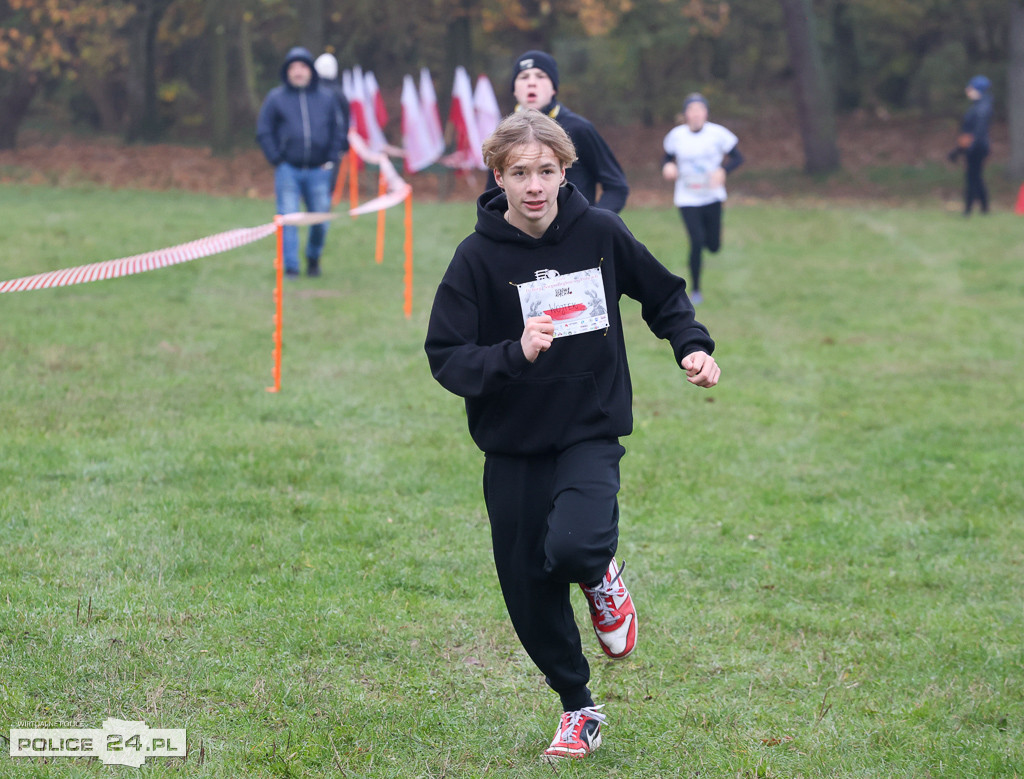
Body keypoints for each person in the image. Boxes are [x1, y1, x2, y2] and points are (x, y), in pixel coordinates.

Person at [425, 110, 719, 762]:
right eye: (521, 172)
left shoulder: (600, 233)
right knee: (527, 586)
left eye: (548, 171)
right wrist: (513, 353)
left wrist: (691, 347)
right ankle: (578, 706)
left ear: (566, 172)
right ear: (497, 176)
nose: (535, 185)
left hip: (588, 426)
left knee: (579, 542)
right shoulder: (476, 258)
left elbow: (663, 293)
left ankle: (600, 572)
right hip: (511, 441)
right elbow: (446, 355)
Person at [484, 50, 629, 213]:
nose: (531, 83)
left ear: (554, 88)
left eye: (540, 76)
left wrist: (593, 223)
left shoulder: (579, 128)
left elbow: (616, 187)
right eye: (524, 77)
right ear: (515, 90)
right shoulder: (503, 134)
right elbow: (492, 195)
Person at [256, 47, 346, 277]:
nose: (298, 72)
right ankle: (291, 267)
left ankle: (313, 258)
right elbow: (264, 131)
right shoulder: (276, 98)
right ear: (287, 72)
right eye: (293, 67)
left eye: (303, 67)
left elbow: (338, 130)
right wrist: (276, 158)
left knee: (320, 222)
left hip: (319, 171)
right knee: (288, 220)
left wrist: (331, 158)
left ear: (311, 71)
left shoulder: (326, 98)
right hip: (289, 170)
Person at [661, 93, 743, 304]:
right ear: (686, 114)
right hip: (687, 197)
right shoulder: (676, 136)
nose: (696, 114)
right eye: (691, 110)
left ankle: (712, 238)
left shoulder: (718, 134)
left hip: (713, 196)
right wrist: (668, 166)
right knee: (696, 242)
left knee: (713, 246)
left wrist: (723, 171)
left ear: (706, 113)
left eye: (700, 110)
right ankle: (696, 290)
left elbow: (738, 157)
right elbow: (667, 157)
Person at [948, 75, 993, 216]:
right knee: (976, 177)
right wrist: (959, 149)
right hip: (974, 145)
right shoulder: (979, 106)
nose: (967, 90)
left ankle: (968, 210)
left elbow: (976, 132)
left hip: (977, 147)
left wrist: (965, 149)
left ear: (977, 89)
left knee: (972, 178)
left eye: (970, 87)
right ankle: (984, 208)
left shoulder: (981, 108)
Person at [313, 52, 351, 200]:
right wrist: (343, 144)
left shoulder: (313, 92)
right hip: (333, 147)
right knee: (328, 183)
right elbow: (346, 121)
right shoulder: (339, 93)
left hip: (318, 144)